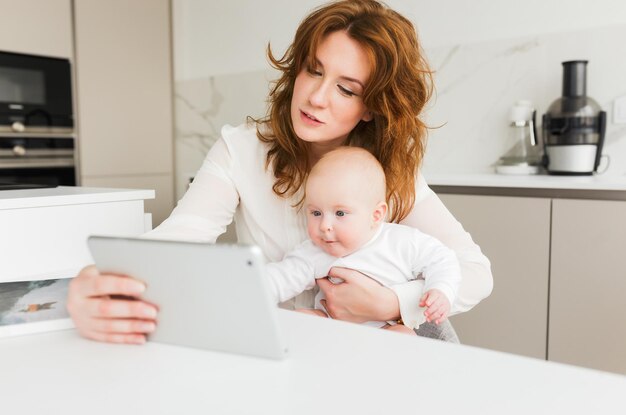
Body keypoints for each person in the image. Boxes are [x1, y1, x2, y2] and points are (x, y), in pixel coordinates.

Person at [67, 0, 492, 344]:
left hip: (390, 345)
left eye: (346, 89)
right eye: (314, 69)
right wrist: (91, 282)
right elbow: (179, 240)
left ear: (372, 107)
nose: (316, 97)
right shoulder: (241, 149)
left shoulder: (387, 171)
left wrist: (389, 303)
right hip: (293, 346)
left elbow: (474, 271)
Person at [266, 146, 461, 335]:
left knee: (403, 335)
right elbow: (280, 278)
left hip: (385, 328)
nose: (325, 225)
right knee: (300, 319)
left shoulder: (401, 241)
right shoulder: (315, 251)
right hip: (331, 325)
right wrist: (248, 283)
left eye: (340, 213)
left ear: (376, 215)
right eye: (316, 213)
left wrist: (440, 290)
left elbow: (442, 259)